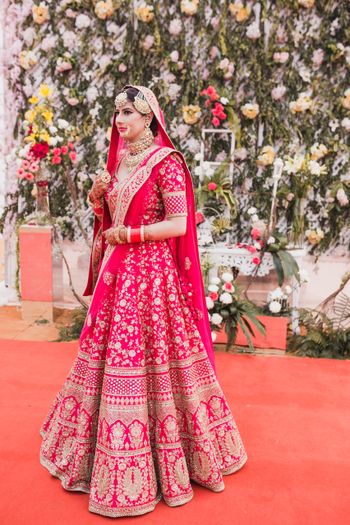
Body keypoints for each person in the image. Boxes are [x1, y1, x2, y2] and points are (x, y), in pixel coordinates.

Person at [40, 85, 247, 518]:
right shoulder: (120, 162)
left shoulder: (166, 164)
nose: (120, 120)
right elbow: (112, 219)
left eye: (128, 112)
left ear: (149, 117)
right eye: (116, 111)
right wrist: (99, 198)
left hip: (152, 280)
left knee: (153, 361)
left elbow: (176, 224)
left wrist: (131, 235)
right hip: (121, 278)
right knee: (108, 357)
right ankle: (100, 452)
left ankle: (167, 456)